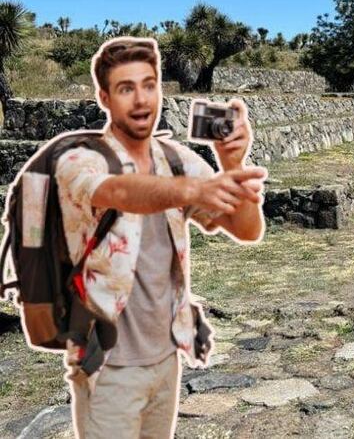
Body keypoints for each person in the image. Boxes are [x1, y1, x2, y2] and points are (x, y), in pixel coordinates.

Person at [51, 37, 267, 438]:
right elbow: (117, 192)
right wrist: (189, 191)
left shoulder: (175, 160)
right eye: (125, 88)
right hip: (108, 367)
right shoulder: (80, 159)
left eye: (149, 85)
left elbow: (247, 229)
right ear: (104, 96)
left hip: (167, 358)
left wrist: (233, 164)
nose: (141, 99)